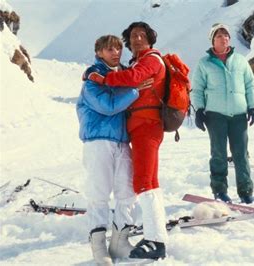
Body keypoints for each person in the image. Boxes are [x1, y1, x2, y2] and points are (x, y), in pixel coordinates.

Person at [86, 22, 168, 260]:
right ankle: (113, 245)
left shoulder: (150, 60)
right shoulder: (132, 63)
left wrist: (103, 79)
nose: (138, 38)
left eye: (143, 35)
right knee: (142, 182)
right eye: (133, 35)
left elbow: (133, 78)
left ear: (151, 39)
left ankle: (155, 239)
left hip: (146, 126)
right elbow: (125, 84)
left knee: (144, 182)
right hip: (128, 133)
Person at [77, 35, 140, 265]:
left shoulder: (122, 77)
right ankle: (98, 246)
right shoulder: (93, 80)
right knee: (99, 192)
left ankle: (120, 242)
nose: (116, 52)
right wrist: (135, 91)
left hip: (122, 141)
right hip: (98, 141)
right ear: (99, 52)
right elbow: (108, 106)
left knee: (127, 190)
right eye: (109, 49)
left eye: (118, 48)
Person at [191, 23, 254, 204]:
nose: (224, 38)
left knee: (241, 154)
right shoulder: (204, 63)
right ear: (213, 40)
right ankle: (219, 190)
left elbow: (250, 84)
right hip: (215, 115)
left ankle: (245, 191)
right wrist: (199, 110)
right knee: (218, 153)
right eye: (219, 35)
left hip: (239, 114)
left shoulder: (240, 60)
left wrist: (253, 106)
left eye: (226, 35)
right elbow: (197, 89)